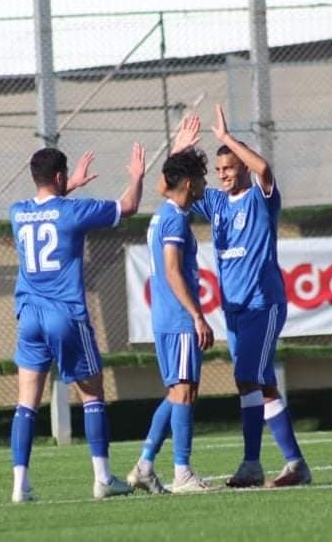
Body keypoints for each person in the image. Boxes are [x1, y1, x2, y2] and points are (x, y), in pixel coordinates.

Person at [180, 105, 311, 488]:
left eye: (229, 168)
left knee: (245, 378)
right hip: (234, 310)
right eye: (218, 170)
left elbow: (264, 169)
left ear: (242, 167)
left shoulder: (261, 199)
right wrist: (179, 150)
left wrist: (226, 138)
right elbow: (174, 190)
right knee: (263, 385)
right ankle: (296, 466)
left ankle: (252, 463)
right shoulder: (216, 203)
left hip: (263, 304)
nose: (222, 175)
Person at [9, 144, 145, 502]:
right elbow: (128, 206)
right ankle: (103, 479)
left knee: (26, 402)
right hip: (65, 315)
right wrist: (136, 176)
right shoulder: (74, 211)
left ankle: (20, 485)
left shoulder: (17, 213)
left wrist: (67, 187)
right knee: (92, 394)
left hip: (29, 316)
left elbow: (46, 210)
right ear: (59, 176)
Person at [126, 148, 218, 495]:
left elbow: (165, 182)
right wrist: (197, 316)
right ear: (190, 183)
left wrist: (179, 145)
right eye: (203, 178)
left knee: (179, 391)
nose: (206, 184)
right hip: (178, 319)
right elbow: (172, 270)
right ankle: (182, 473)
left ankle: (145, 466)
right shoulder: (175, 219)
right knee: (183, 392)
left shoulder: (165, 213)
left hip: (167, 317)